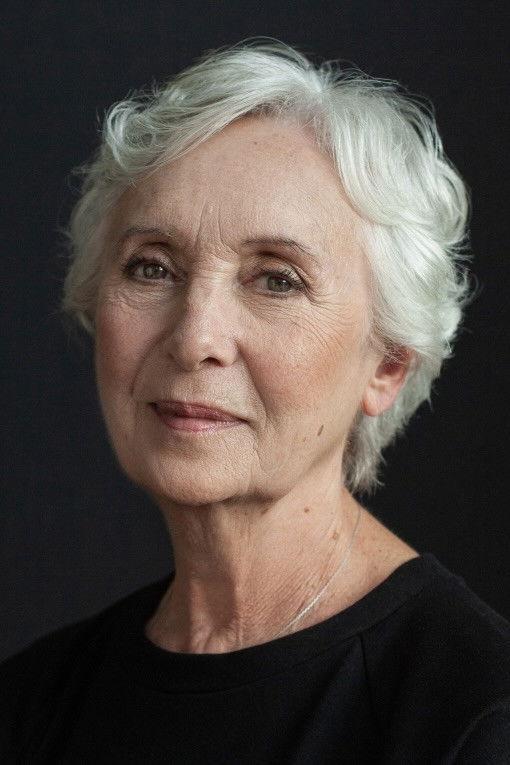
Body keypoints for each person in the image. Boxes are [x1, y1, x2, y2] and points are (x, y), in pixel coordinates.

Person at [1, 39, 509, 764]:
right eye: (152, 267)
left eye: (276, 279)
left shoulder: (477, 717)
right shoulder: (30, 706)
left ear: (388, 363)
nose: (194, 338)